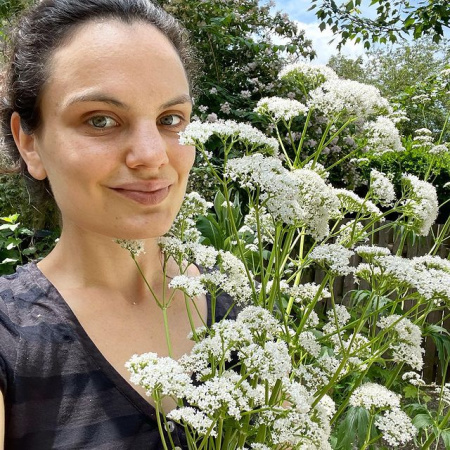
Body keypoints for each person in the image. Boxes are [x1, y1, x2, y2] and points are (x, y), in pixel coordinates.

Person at [0, 1, 236, 448]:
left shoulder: (243, 309)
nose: (151, 154)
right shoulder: (10, 337)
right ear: (29, 142)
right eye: (101, 120)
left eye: (171, 119)